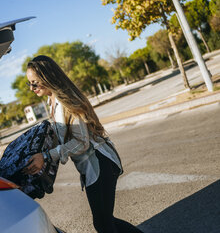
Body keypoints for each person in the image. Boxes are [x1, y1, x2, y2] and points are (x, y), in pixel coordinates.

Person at [23, 55, 143, 233]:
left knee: (103, 224)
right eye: (29, 84)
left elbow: (82, 142)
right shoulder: (52, 101)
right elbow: (64, 137)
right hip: (91, 167)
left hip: (100, 164)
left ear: (47, 76)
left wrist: (47, 156)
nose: (32, 88)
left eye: (35, 82)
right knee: (106, 221)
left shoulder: (66, 101)